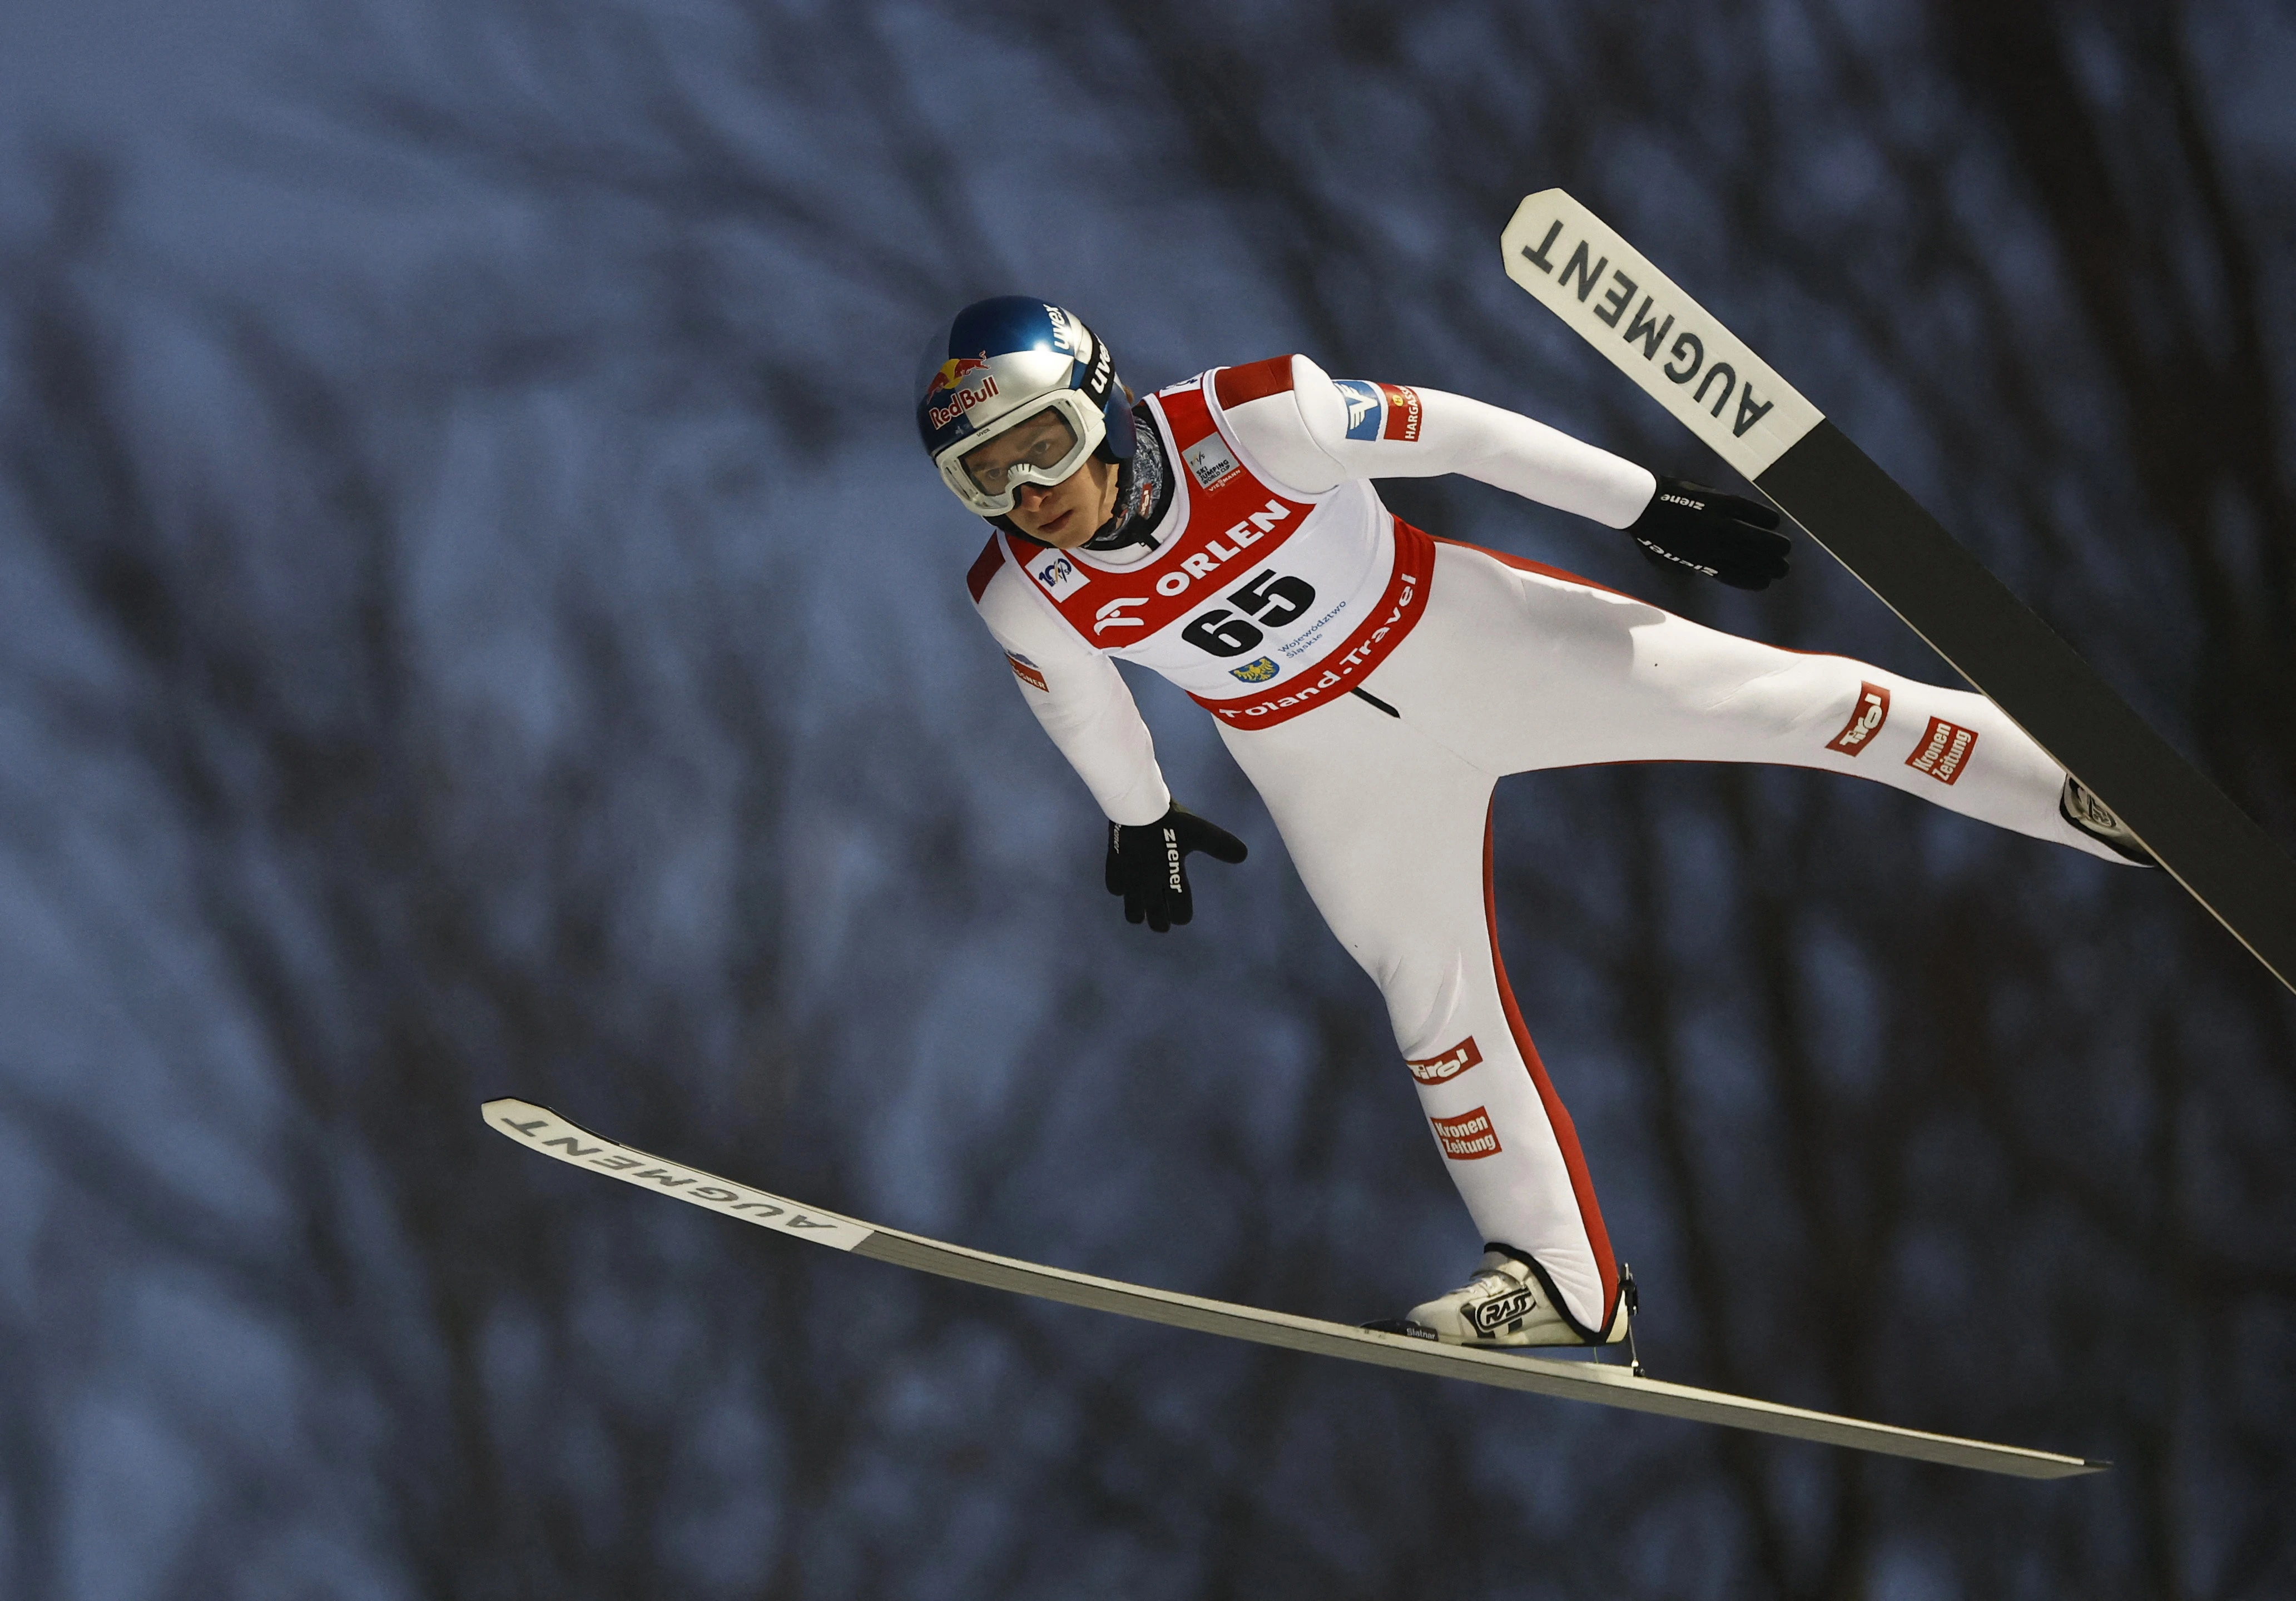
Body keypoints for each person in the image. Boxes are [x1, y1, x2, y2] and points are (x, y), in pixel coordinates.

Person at [918, 296, 2150, 1350]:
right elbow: (1082, 706)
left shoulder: (1255, 419)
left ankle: (2068, 785)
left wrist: (1645, 504)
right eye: (987, 476)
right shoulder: (1023, 591)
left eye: (1044, 445)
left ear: (1103, 400)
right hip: (1322, 759)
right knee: (1431, 1002)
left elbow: (1463, 433)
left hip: (1474, 644)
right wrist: (1141, 818)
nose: (1031, 494)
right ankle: (1560, 1283)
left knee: (1797, 707)